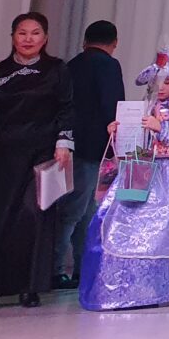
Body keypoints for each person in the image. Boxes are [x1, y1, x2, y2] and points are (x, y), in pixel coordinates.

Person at [0, 12, 74, 310]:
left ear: (45, 38)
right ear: (13, 37)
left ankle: (28, 287)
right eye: (22, 33)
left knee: (32, 217)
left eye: (35, 33)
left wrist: (64, 143)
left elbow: (67, 108)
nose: (28, 39)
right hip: (2, 154)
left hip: (41, 152)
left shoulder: (56, 69)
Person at [80, 49, 169, 310]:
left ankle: (158, 287)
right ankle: (123, 287)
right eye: (156, 82)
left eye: (167, 82)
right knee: (120, 223)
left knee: (163, 231)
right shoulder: (145, 105)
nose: (161, 87)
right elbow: (134, 138)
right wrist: (119, 130)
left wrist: (161, 127)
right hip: (138, 168)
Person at [53, 19, 124, 288]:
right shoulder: (109, 65)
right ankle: (58, 269)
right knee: (77, 211)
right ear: (114, 43)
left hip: (67, 145)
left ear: (85, 41)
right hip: (93, 147)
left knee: (78, 209)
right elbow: (112, 106)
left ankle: (80, 267)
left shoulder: (71, 65)